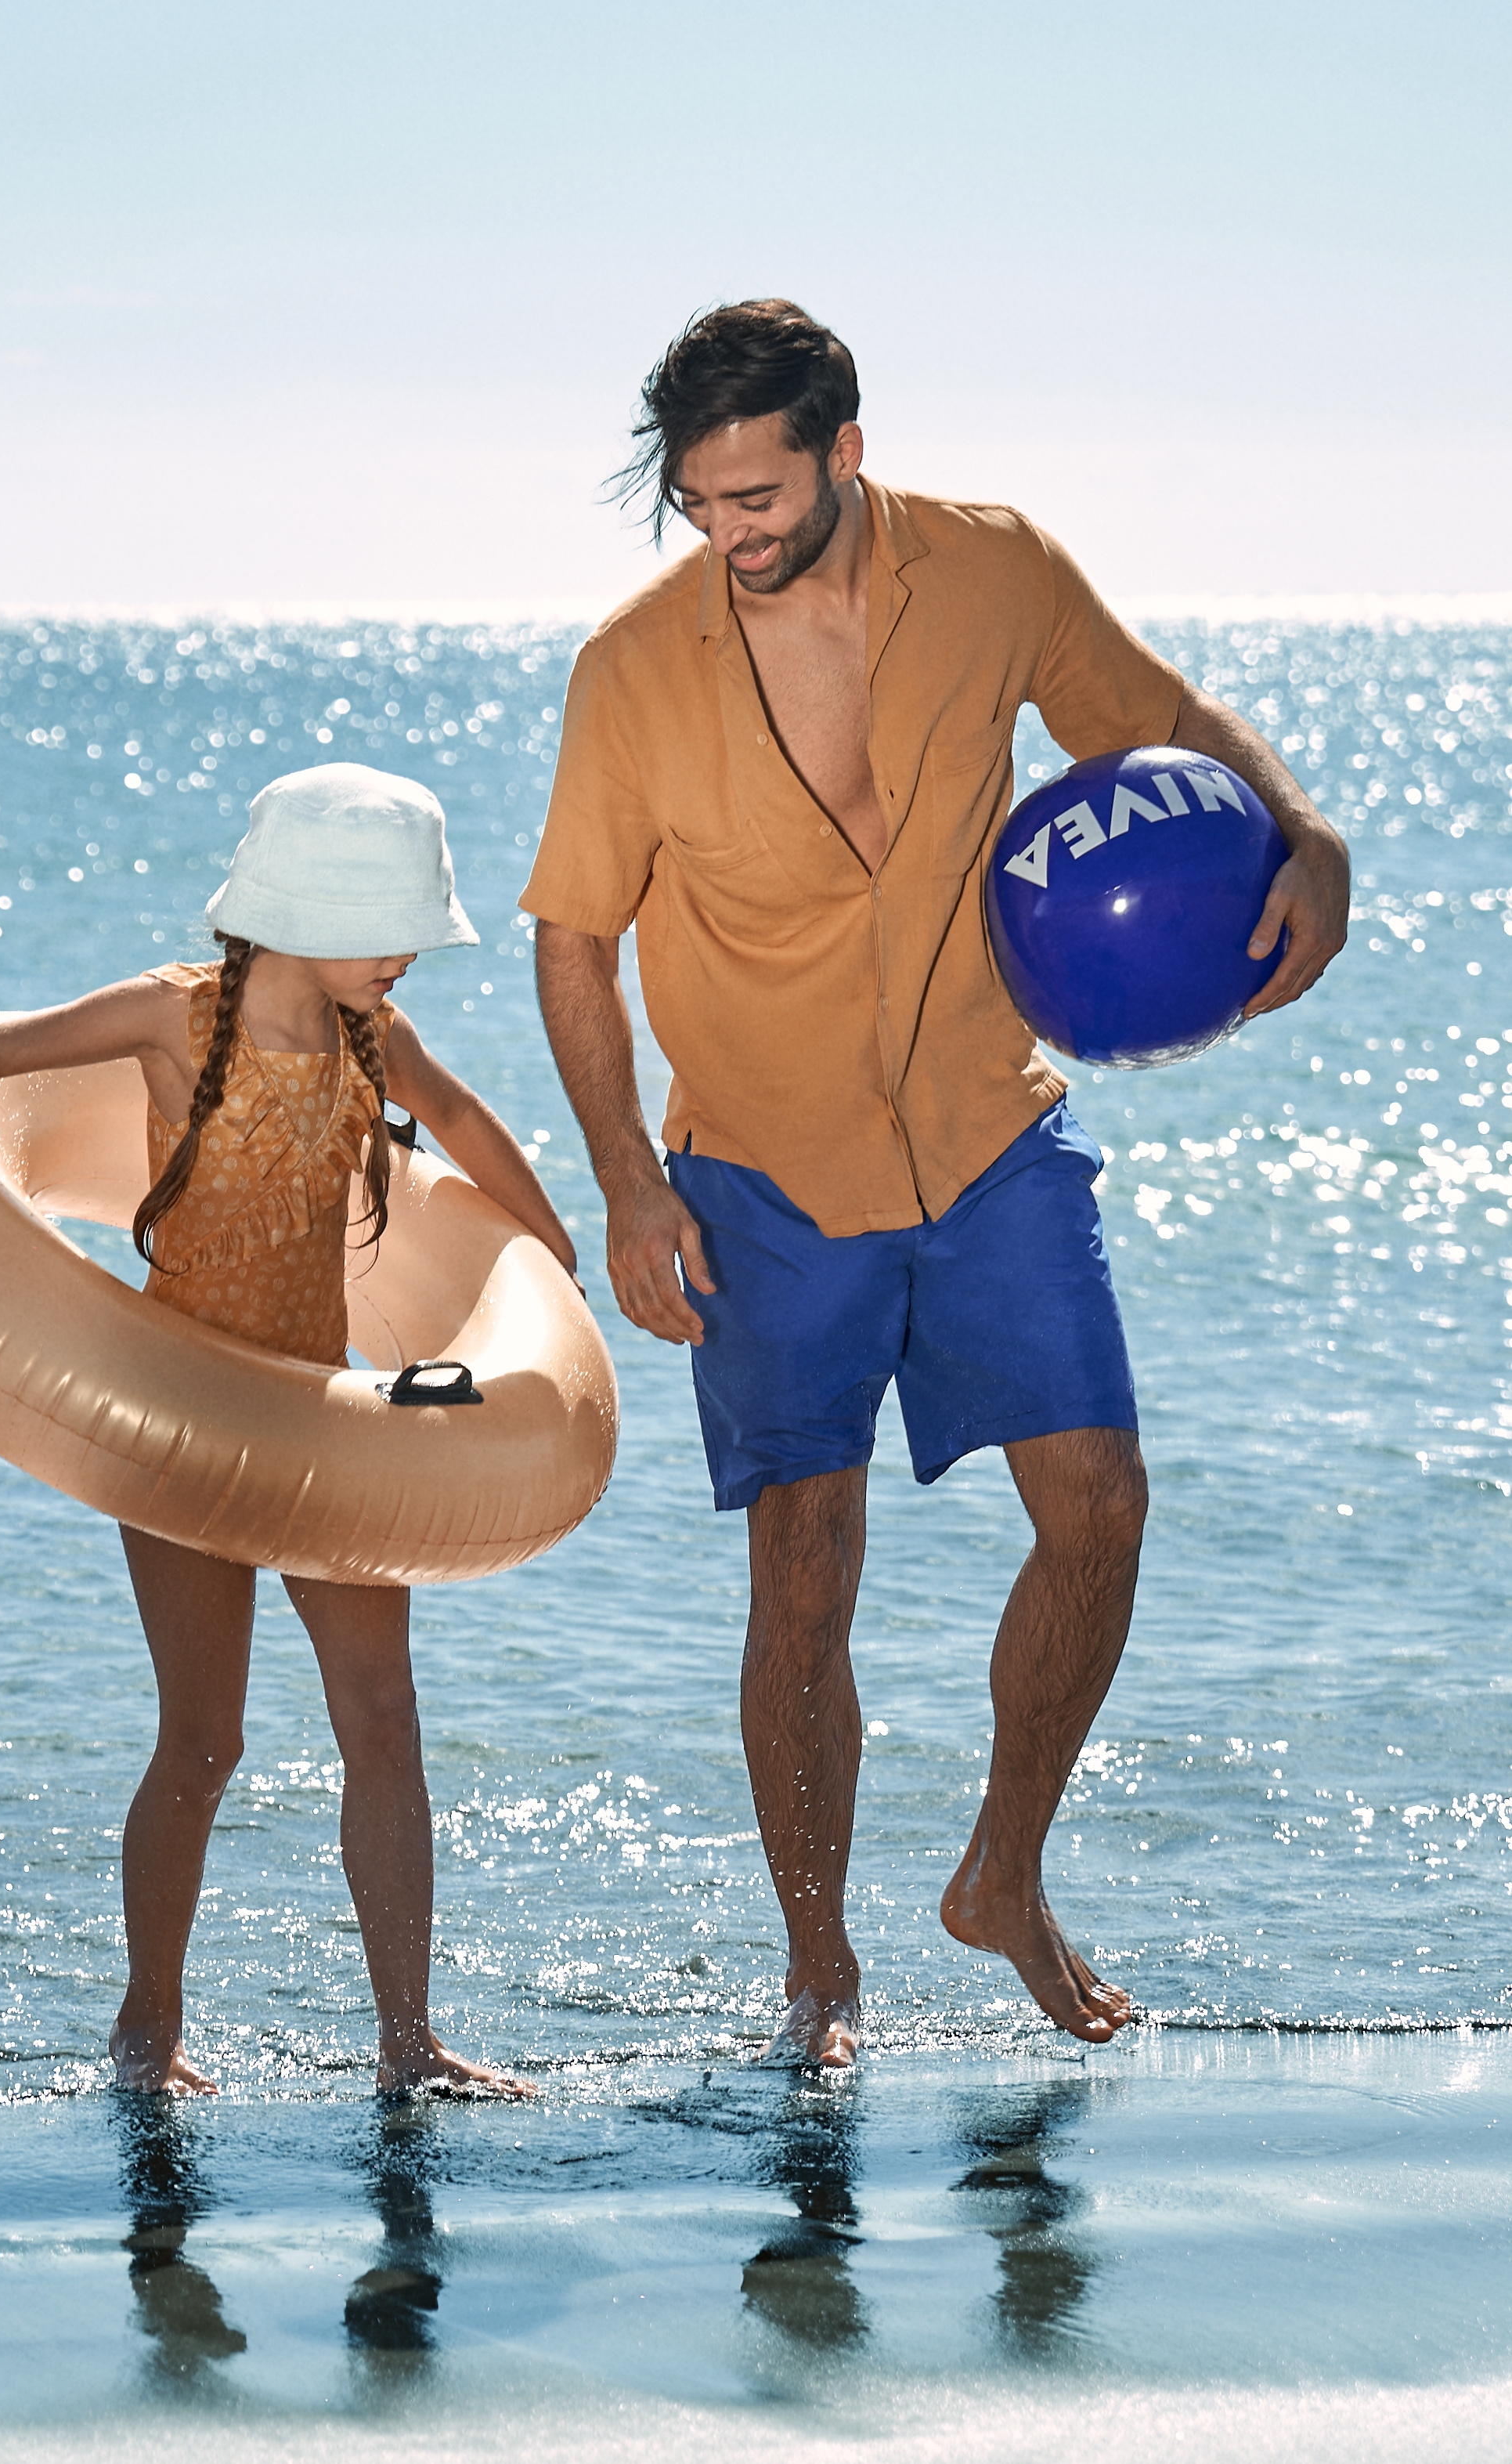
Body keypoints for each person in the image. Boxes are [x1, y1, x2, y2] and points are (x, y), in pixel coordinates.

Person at [525, 301, 1348, 2061]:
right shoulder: (631, 671)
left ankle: (1002, 1871)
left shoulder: (989, 571)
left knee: (1100, 1508)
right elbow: (573, 944)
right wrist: (625, 1186)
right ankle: (817, 1963)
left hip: (985, 1127)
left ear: (841, 448)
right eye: (697, 502)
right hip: (759, 1170)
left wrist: (1306, 830)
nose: (728, 531)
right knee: (804, 1573)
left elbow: (1166, 716)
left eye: (756, 491)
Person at [0, 763, 575, 2097]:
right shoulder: (176, 1015)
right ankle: (147, 2027)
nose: (408, 954)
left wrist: (554, 1260)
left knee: (384, 1718)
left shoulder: (373, 1040)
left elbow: (465, 1123)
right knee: (204, 1735)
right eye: (388, 926)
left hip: (324, 1417)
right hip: (176, 1412)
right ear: (301, 909)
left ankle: (409, 2043)